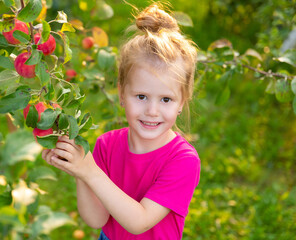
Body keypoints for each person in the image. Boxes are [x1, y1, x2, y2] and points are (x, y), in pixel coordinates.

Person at [42, 2, 200, 239]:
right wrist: (80, 171)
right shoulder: (107, 145)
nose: (152, 110)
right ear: (122, 94)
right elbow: (97, 219)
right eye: (141, 96)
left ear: (181, 103)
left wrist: (90, 171)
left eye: (166, 99)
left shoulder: (183, 161)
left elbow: (140, 222)